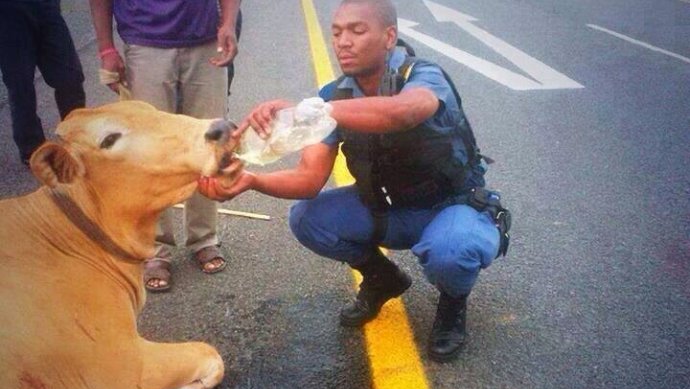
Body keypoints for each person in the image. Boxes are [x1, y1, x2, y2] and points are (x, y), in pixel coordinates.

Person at [199, 0, 510, 362]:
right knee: (308, 218)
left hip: (452, 207)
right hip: (391, 209)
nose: (343, 41)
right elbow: (308, 179)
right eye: (337, 32)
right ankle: (382, 278)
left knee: (453, 253)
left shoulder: (422, 75)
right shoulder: (334, 96)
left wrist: (314, 112)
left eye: (357, 31)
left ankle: (453, 304)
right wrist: (252, 180)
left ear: (388, 36)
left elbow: (405, 111)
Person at [88, 0, 241, 292]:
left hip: (207, 40)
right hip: (146, 44)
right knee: (148, 153)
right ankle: (154, 248)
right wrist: (107, 49)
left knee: (211, 144)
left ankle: (204, 237)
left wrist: (229, 22)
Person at [0, 0, 85, 166]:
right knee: (20, 84)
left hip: (45, 7)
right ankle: (32, 149)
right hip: (7, 13)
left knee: (70, 77)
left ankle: (78, 137)